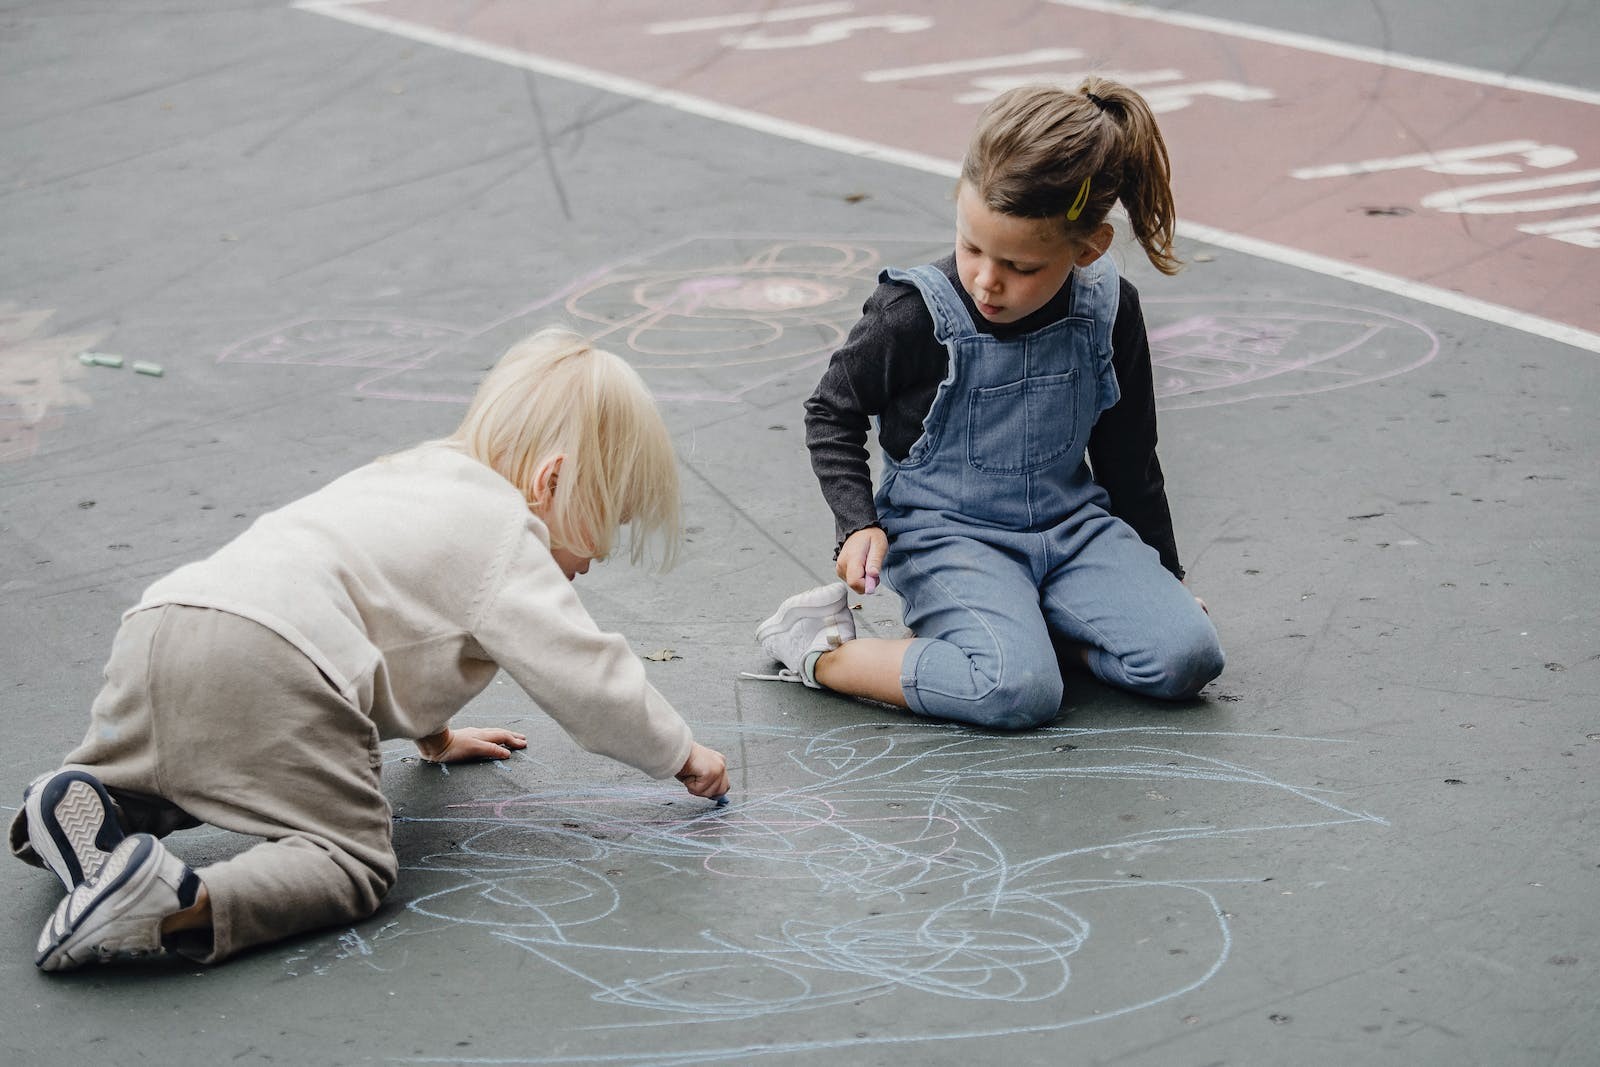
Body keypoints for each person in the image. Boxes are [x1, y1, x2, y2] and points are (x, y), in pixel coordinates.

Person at [15, 328, 730, 971]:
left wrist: (436, 734)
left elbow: (395, 610)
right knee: (352, 861)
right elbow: (585, 676)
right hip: (278, 658)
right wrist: (679, 751)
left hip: (167, 621)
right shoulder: (509, 532)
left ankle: (90, 798)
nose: (595, 557)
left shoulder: (414, 473)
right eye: (602, 527)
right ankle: (174, 903)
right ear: (550, 481)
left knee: (197, 767)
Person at [754, 78, 1224, 729]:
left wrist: (1163, 575)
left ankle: (1034, 629)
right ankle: (819, 648)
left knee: (1187, 657)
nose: (985, 279)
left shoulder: (1109, 312)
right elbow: (832, 410)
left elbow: (1130, 463)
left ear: (1087, 249)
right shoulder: (915, 311)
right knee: (1014, 690)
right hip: (947, 536)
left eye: (1020, 266)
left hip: (1069, 529)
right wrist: (858, 521)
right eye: (971, 246)